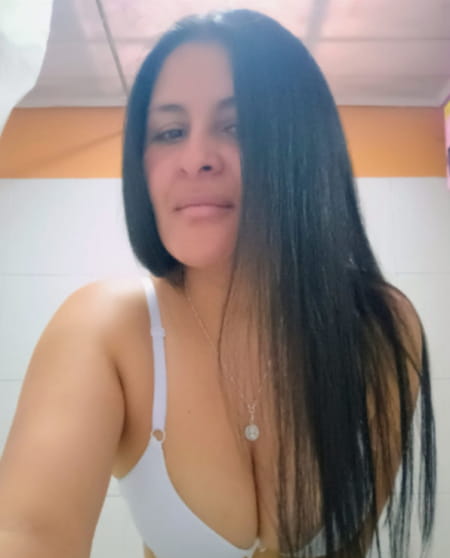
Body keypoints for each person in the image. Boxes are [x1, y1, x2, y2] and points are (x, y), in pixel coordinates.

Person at [0, 8, 436, 558]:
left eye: (238, 127)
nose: (196, 159)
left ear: (304, 147)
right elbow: (27, 533)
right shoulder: (108, 328)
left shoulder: (379, 328)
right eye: (169, 132)